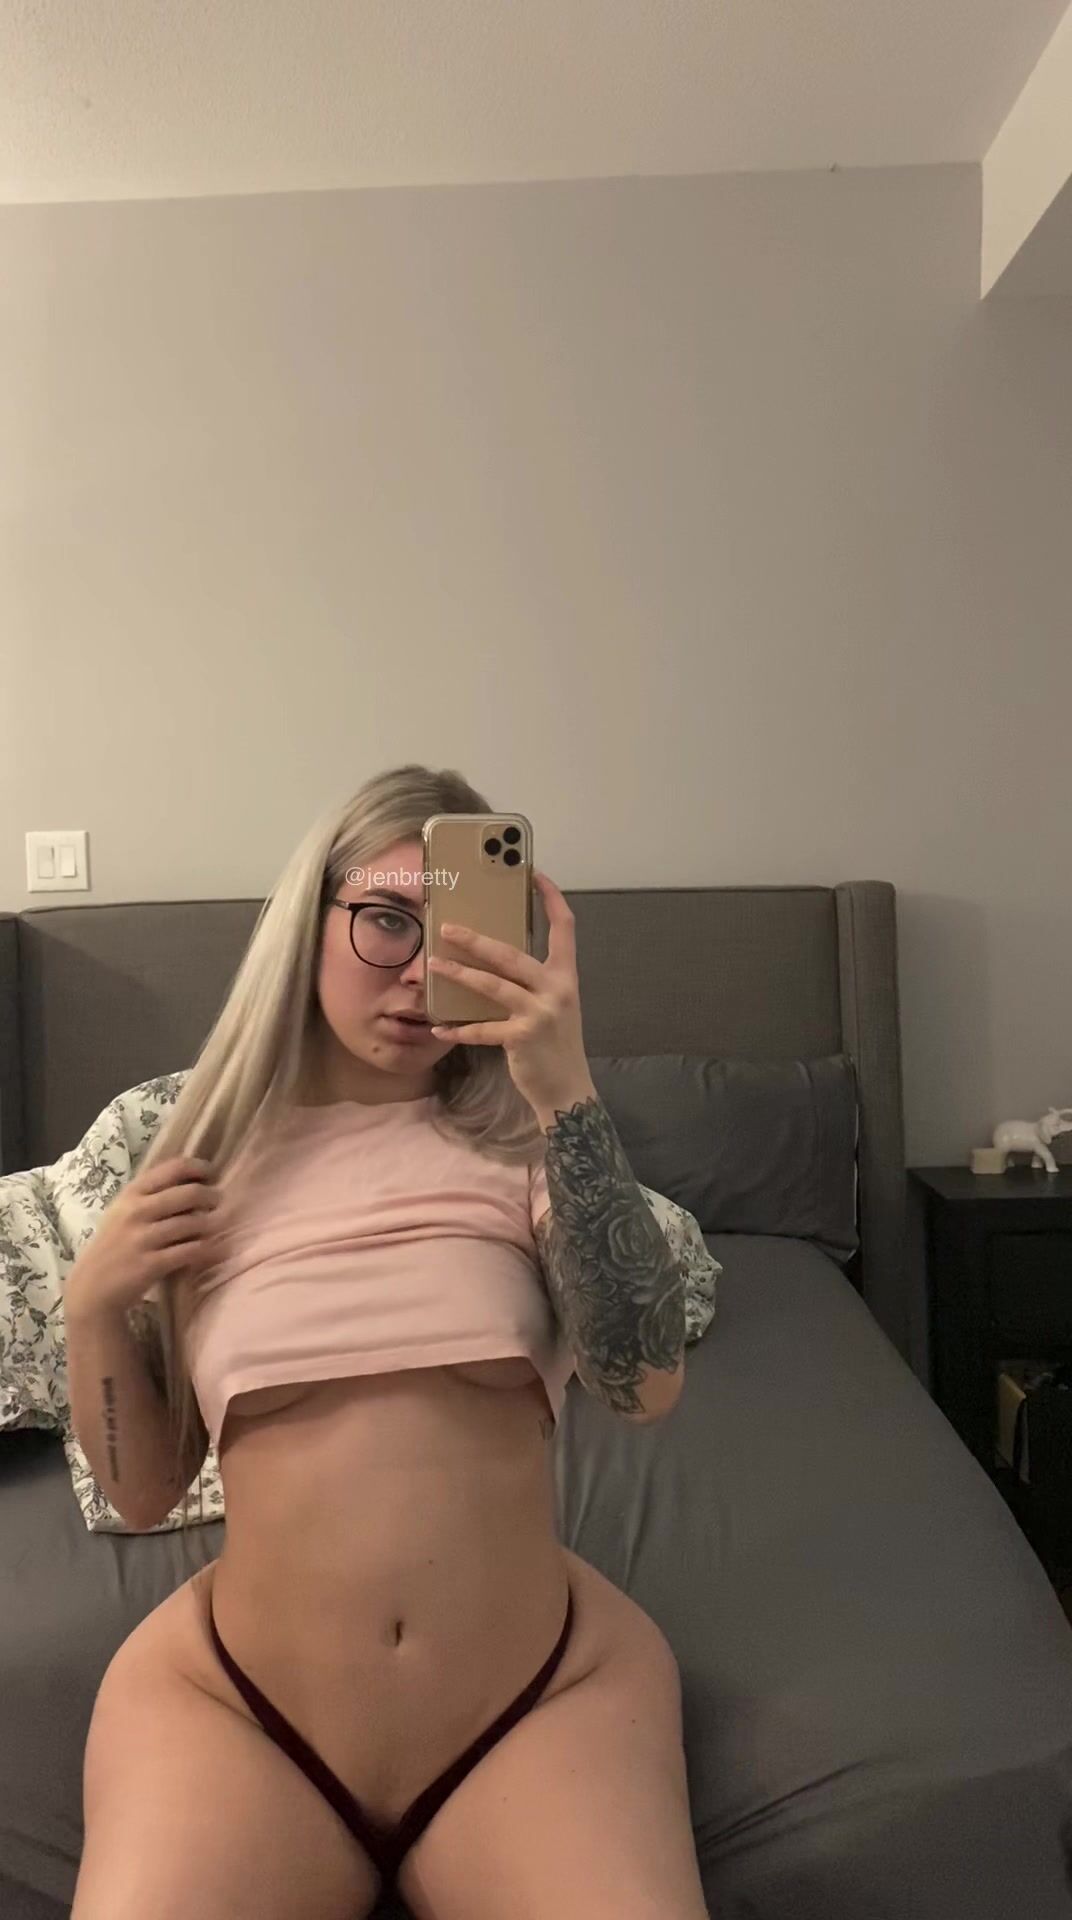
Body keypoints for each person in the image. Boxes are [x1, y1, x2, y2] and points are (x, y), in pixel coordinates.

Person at [65, 763, 709, 1919]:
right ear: (308, 921)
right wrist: (93, 1308)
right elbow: (148, 1491)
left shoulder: (529, 1146)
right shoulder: (198, 1159)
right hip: (238, 1712)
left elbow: (644, 1384)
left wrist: (564, 1090)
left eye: (456, 937)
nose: (417, 972)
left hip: (538, 1704)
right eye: (385, 921)